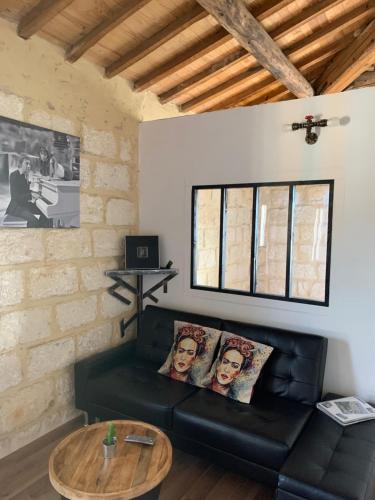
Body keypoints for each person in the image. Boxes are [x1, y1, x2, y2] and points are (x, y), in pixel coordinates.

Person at [6, 154, 50, 228]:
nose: (29, 166)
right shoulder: (14, 175)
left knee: (46, 213)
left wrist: (36, 193)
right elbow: (15, 197)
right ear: (20, 164)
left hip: (24, 205)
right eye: (26, 163)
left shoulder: (24, 175)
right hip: (16, 207)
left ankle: (42, 231)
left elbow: (25, 191)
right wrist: (31, 195)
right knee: (34, 221)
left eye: (29, 164)